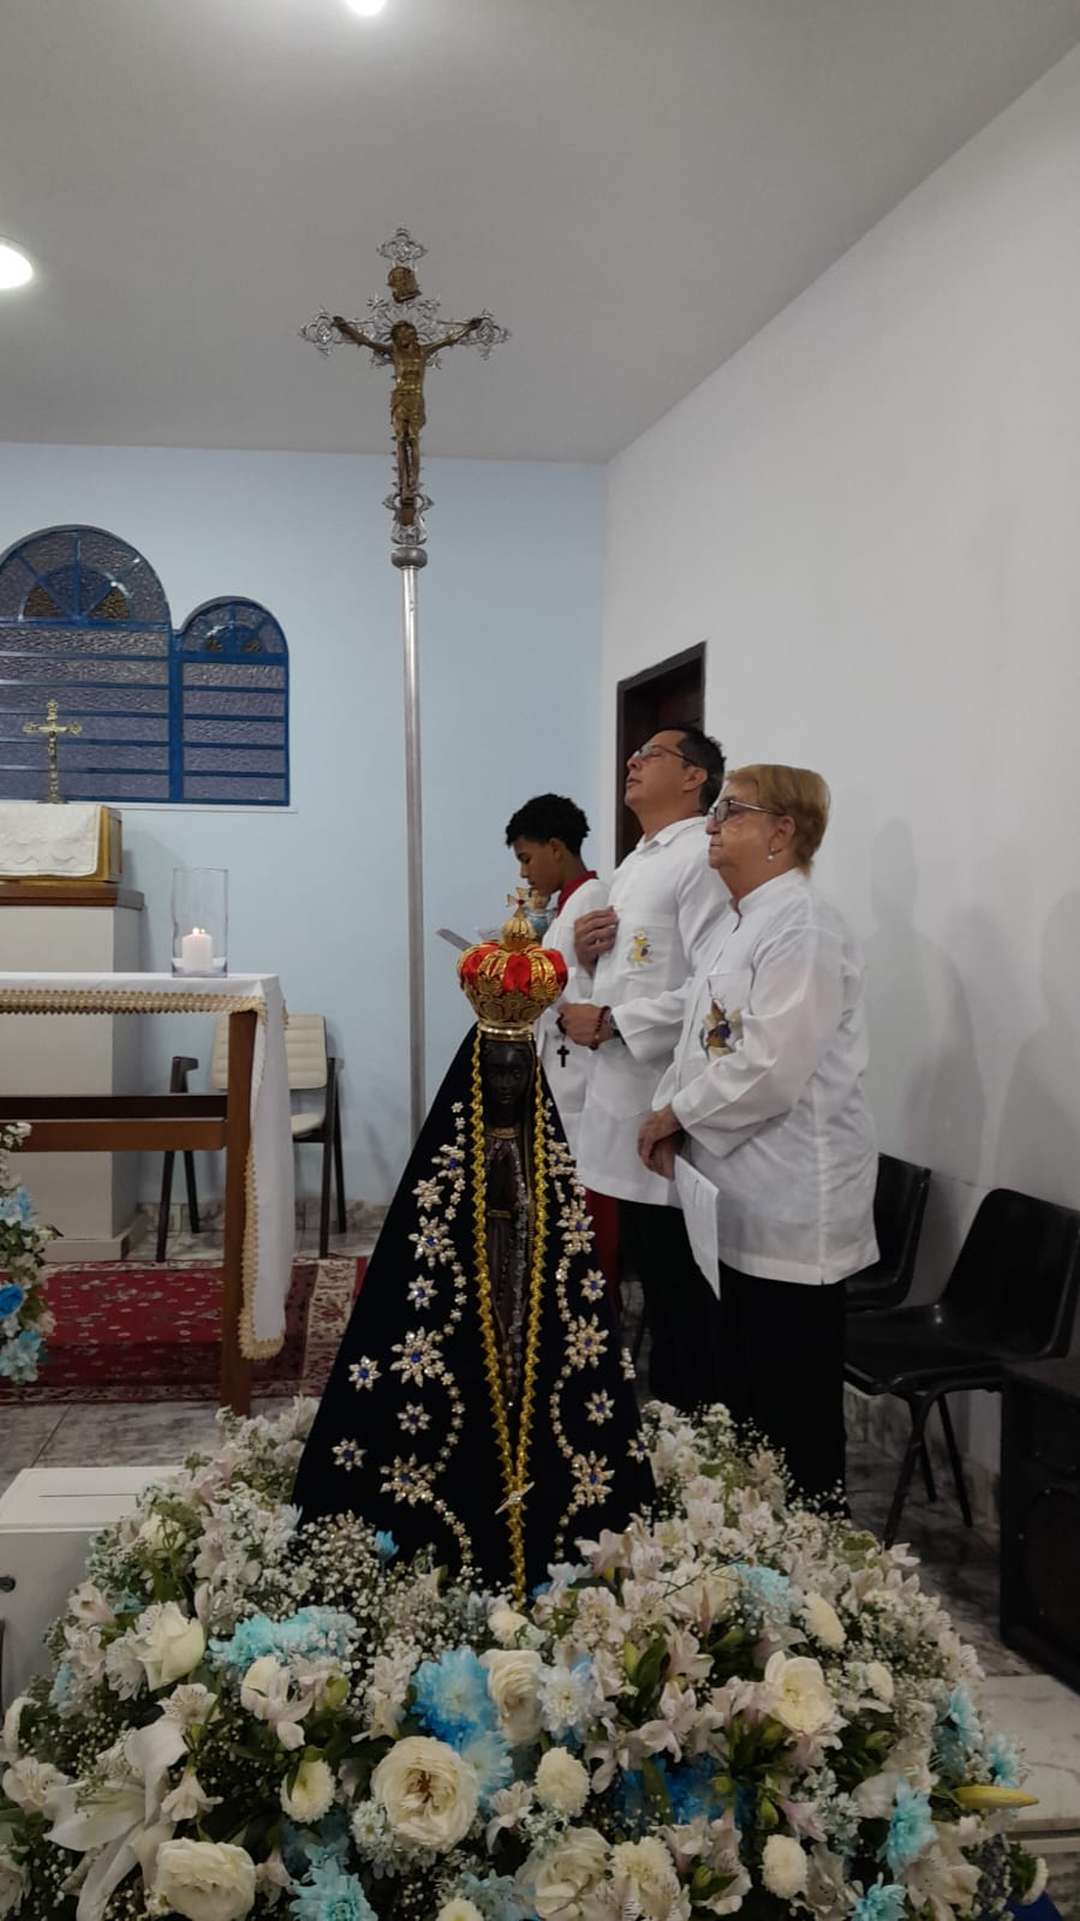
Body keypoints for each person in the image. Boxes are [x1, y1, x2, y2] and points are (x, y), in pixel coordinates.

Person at [293, 899, 653, 1601]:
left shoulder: (540, 1145)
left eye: (522, 1070)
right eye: (501, 1070)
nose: (511, 1083)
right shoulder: (454, 1148)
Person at [638, 764, 878, 1504]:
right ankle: (751, 1540)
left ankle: (809, 1546)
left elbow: (772, 1065)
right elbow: (700, 1041)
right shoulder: (740, 922)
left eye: (730, 811)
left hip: (790, 1203)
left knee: (791, 1409)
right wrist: (671, 1108)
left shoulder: (802, 925)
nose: (711, 825)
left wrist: (676, 1115)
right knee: (743, 1397)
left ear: (782, 831)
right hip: (736, 1197)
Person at [559, 727, 727, 1411]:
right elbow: (629, 973)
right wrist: (585, 957)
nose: (632, 761)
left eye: (650, 754)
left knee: (680, 1292)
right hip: (619, 1099)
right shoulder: (634, 865)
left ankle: (691, 1428)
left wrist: (613, 1022)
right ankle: (660, 1419)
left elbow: (713, 986)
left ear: (693, 776)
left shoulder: (701, 859)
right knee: (650, 1281)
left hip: (666, 1105)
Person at [506, 793, 620, 1296]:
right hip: (562, 1070)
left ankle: (590, 1306)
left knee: (584, 1209)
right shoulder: (567, 905)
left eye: (527, 858)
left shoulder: (591, 899)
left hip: (583, 1078)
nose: (524, 873)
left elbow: (591, 990)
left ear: (556, 847)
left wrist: (530, 978)